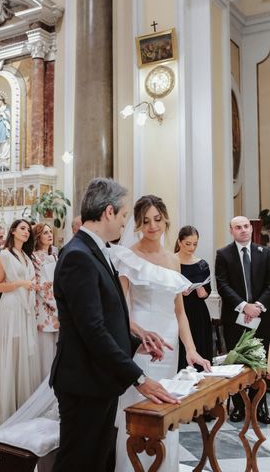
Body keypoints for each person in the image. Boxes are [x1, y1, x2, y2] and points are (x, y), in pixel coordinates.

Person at [50, 179, 177, 472]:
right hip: (84, 384)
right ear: (109, 211)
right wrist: (140, 379)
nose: (123, 224)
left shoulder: (95, 250)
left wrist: (136, 343)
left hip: (97, 380)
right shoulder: (79, 256)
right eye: (122, 216)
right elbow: (92, 329)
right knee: (77, 463)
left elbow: (108, 318)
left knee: (95, 461)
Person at [112, 195, 212, 472]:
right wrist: (140, 333)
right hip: (142, 342)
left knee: (168, 408)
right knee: (139, 407)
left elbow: (180, 312)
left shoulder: (172, 260)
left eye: (157, 219)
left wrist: (191, 350)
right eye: (145, 221)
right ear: (138, 224)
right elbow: (120, 310)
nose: (152, 226)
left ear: (166, 219)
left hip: (170, 342)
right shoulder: (126, 256)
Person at [0, 219, 41, 423]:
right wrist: (20, 283)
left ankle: (22, 403)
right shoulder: (5, 255)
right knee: (11, 351)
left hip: (25, 308)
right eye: (23, 229)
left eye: (28, 230)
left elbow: (29, 282)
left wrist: (33, 287)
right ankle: (7, 405)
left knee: (23, 353)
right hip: (10, 307)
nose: (27, 232)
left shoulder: (26, 256)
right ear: (13, 231)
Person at [215, 216, 270, 423]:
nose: (244, 230)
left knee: (259, 363)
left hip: (262, 318)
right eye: (238, 227)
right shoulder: (223, 254)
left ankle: (260, 407)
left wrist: (257, 306)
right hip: (234, 319)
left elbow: (269, 285)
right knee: (237, 362)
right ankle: (238, 406)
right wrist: (243, 306)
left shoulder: (265, 253)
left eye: (246, 226)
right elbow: (222, 284)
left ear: (250, 228)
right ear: (231, 231)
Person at [174, 226, 213, 371]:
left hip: (199, 313)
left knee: (201, 347)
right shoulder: (172, 261)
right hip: (179, 311)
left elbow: (207, 291)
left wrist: (203, 292)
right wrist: (178, 291)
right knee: (181, 352)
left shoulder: (202, 264)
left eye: (195, 244)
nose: (192, 248)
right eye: (188, 244)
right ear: (180, 242)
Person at [32, 223, 59, 378]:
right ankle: (44, 382)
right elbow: (40, 283)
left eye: (50, 232)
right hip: (44, 307)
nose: (50, 235)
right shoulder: (34, 257)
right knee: (45, 350)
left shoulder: (54, 256)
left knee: (56, 348)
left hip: (58, 306)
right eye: (45, 233)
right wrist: (55, 303)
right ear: (38, 237)